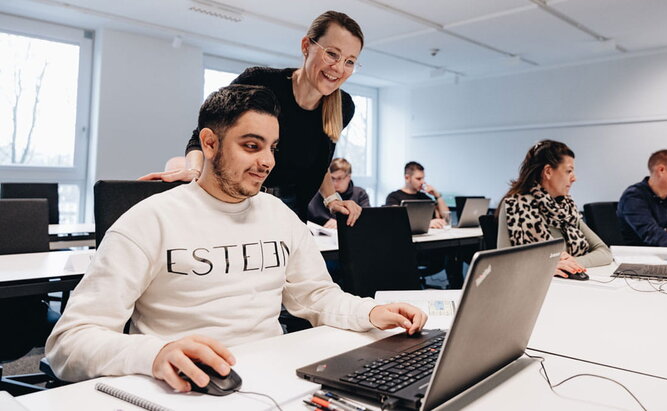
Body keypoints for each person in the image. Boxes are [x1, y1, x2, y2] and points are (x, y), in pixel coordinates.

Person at [45, 85, 426, 390]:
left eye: (272, 148)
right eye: (251, 146)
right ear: (209, 144)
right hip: (187, 387)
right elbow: (68, 343)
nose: (268, 162)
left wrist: (369, 312)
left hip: (274, 377)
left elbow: (315, 296)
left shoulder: (279, 216)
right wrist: (155, 353)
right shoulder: (148, 221)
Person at [139, 11, 364, 226]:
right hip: (239, 201)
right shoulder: (260, 82)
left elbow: (318, 162)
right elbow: (203, 135)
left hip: (291, 211)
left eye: (350, 61)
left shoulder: (343, 107)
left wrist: (332, 199)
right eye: (332, 54)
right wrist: (195, 172)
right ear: (306, 46)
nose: (339, 68)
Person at [497, 140, 612, 277]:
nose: (574, 178)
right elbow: (503, 264)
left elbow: (604, 252)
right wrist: (545, 267)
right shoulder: (514, 206)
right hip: (536, 285)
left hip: (570, 282)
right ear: (548, 171)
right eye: (569, 171)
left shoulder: (567, 209)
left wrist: (573, 263)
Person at [385, 161, 450, 229]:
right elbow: (396, 220)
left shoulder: (425, 198)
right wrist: (427, 224)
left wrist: (438, 196)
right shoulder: (394, 197)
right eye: (418, 179)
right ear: (407, 178)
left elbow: (447, 217)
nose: (423, 182)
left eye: (423, 178)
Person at [308, 157, 370, 228]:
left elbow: (366, 221)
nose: (335, 183)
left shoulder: (360, 194)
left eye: (339, 178)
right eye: (332, 178)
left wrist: (340, 223)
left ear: (349, 177)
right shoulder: (317, 195)